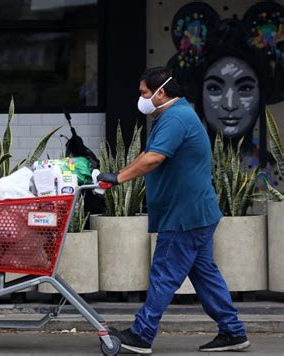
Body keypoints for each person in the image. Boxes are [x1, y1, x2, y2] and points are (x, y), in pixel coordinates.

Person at [97, 67, 250, 354]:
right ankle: (233, 332)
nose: (141, 99)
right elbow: (145, 155)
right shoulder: (172, 116)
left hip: (184, 216)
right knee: (205, 276)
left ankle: (142, 334)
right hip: (196, 213)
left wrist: (118, 179)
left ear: (161, 92)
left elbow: (154, 158)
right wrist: (116, 175)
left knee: (164, 273)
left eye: (144, 93)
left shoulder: (176, 118)